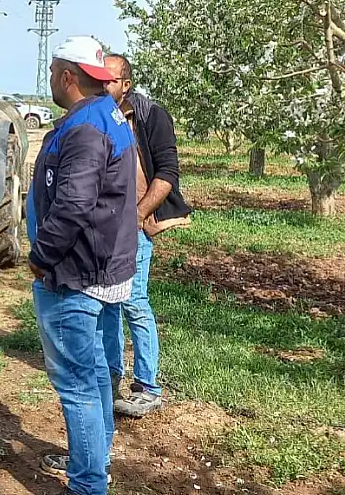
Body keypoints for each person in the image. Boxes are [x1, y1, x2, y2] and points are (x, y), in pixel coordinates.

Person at [27, 35, 139, 495]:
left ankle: (88, 483)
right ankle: (92, 463)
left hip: (75, 274)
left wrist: (41, 256)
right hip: (98, 267)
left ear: (67, 76)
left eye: (53, 72)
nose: (51, 79)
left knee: (76, 385)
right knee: (92, 376)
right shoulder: (103, 115)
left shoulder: (85, 129)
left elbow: (74, 203)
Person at [100, 53, 189, 418]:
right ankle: (110, 377)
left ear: (126, 85)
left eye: (109, 80)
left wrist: (138, 215)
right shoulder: (95, 115)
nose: (102, 86)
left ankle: (148, 385)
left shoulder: (152, 116)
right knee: (106, 301)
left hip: (133, 224)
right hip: (101, 226)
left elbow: (167, 173)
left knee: (134, 300)